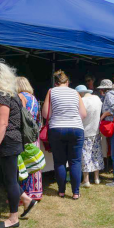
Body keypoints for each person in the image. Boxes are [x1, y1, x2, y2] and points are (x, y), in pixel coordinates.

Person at [0, 62, 36, 228]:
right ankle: (27, 200)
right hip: (13, 140)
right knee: (1, 175)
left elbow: (3, 124)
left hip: (9, 142)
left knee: (10, 180)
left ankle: (13, 219)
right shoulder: (12, 94)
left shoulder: (2, 96)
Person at [43, 70, 86, 199]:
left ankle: (61, 191)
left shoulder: (51, 91)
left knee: (60, 162)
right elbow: (83, 114)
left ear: (56, 83)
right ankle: (76, 192)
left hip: (57, 128)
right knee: (75, 161)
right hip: (76, 128)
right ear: (67, 82)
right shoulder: (75, 92)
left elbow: (46, 114)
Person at [16, 76, 43, 201]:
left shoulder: (20, 98)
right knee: (34, 163)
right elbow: (37, 119)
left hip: (23, 135)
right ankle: (36, 192)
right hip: (33, 134)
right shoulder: (34, 98)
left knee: (24, 164)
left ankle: (25, 194)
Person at [75, 85, 104, 187]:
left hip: (85, 132)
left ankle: (86, 180)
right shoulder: (97, 99)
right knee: (96, 154)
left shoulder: (81, 101)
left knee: (85, 155)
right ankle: (97, 178)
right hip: (96, 130)